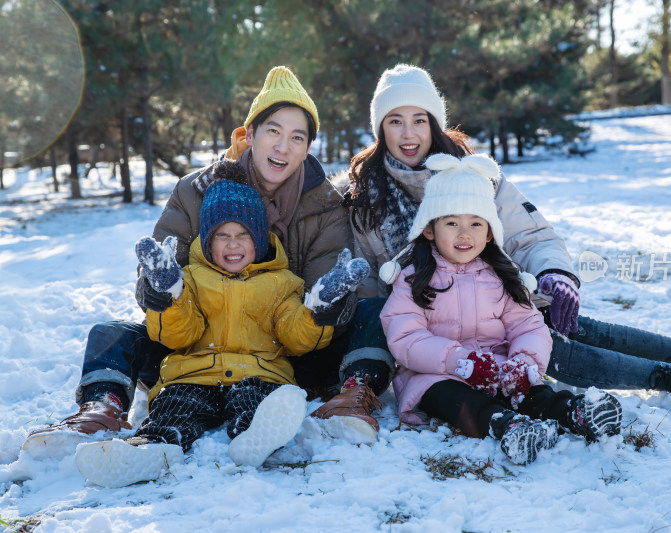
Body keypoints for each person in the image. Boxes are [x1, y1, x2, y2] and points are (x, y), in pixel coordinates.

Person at [309, 63, 671, 439]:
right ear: (379, 129)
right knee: (560, 354)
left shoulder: (478, 173)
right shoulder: (361, 197)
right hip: (435, 332)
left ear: (435, 122)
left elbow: (530, 234)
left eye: (420, 119)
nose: (409, 133)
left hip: (499, 304)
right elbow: (369, 287)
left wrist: (555, 274)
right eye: (395, 121)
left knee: (574, 326)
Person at [23, 66, 355, 453]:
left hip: (281, 349)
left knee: (366, 313)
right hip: (195, 343)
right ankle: (102, 408)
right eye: (274, 132)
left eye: (297, 137)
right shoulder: (195, 192)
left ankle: (343, 399)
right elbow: (160, 273)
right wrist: (161, 289)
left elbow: (322, 289)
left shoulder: (324, 205)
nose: (283, 146)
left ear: (308, 148)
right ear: (250, 135)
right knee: (111, 333)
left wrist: (327, 303)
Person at [75, 176, 369, 488]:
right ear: (207, 241)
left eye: (243, 234)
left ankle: (256, 438)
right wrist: (170, 297)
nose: (232, 243)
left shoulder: (282, 283)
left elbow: (294, 336)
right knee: (175, 407)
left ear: (259, 239)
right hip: (192, 376)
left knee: (257, 402)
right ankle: (152, 449)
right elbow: (178, 336)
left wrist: (316, 311)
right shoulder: (190, 278)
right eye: (222, 235)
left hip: (257, 374)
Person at [379, 153, 622, 465]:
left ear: (490, 232)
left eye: (475, 224)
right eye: (451, 222)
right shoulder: (413, 279)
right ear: (430, 230)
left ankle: (575, 413)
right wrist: (460, 361)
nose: (464, 234)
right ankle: (505, 426)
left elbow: (529, 326)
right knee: (452, 398)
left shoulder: (501, 276)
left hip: (497, 368)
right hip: (436, 374)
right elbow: (406, 338)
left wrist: (523, 362)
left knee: (530, 391)